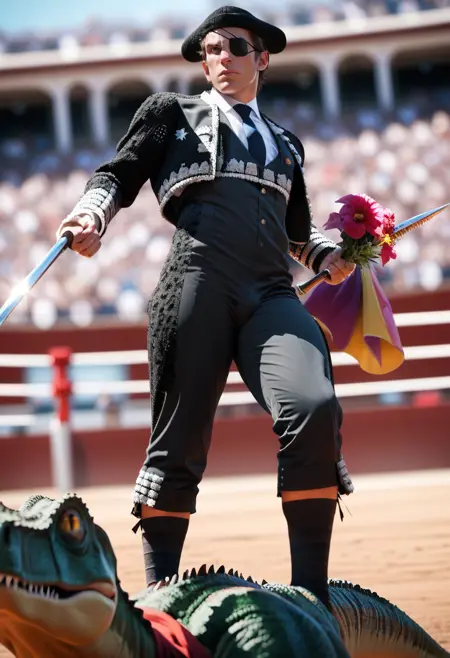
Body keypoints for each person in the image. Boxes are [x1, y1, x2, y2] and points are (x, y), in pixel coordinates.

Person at [56, 5, 355, 610]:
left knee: (315, 406)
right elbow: (118, 174)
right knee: (179, 440)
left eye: (234, 47)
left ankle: (312, 596)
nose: (221, 58)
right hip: (197, 283)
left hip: (272, 292)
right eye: (211, 49)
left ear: (262, 58)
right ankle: (160, 600)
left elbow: (297, 233)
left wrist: (332, 255)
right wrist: (92, 215)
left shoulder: (286, 143)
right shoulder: (172, 113)